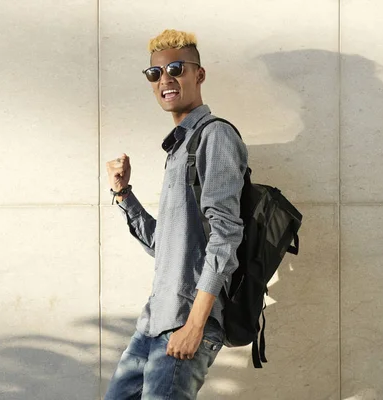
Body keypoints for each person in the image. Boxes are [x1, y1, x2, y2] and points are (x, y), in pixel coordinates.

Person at [104, 29, 248, 399]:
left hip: (186, 320)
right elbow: (164, 245)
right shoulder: (179, 147)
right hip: (153, 322)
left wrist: (195, 324)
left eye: (176, 69)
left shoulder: (213, 136)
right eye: (155, 73)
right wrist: (123, 194)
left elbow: (226, 235)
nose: (165, 79)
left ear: (199, 75)